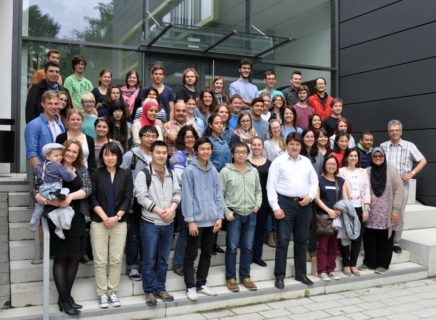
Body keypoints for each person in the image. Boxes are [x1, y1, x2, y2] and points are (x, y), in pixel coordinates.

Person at [33, 139, 92, 316]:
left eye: (75, 152)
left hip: (77, 218)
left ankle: (65, 298)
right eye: (68, 151)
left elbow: (88, 189)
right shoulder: (47, 167)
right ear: (62, 151)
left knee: (74, 258)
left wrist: (70, 197)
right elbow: (35, 192)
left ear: (78, 154)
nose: (71, 154)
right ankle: (65, 300)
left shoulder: (81, 169)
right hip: (57, 218)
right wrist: (49, 201)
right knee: (61, 258)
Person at [267, 132, 318, 288]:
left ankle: (301, 274)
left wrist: (310, 197)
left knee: (302, 241)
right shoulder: (278, 161)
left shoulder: (306, 162)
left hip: (304, 205)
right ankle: (279, 276)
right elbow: (271, 186)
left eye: (297, 144)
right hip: (285, 204)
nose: (294, 147)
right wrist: (275, 207)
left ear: (301, 146)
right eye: (292, 144)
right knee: (282, 241)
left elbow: (313, 182)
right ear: (287, 145)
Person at [135, 141, 181, 306]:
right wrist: (160, 211)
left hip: (168, 223)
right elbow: (141, 197)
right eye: (158, 152)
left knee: (162, 259)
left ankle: (160, 287)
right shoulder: (143, 174)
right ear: (152, 154)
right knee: (149, 259)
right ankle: (149, 291)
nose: (161, 155)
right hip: (150, 224)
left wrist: (172, 208)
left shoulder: (172, 173)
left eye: (164, 153)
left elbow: (177, 192)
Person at [90, 142, 133, 309]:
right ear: (102, 156)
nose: (110, 157)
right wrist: (104, 216)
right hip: (99, 222)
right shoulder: (95, 173)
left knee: (115, 259)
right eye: (106, 154)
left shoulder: (126, 174)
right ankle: (102, 293)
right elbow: (92, 197)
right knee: (100, 260)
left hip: (119, 222)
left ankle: (113, 291)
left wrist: (116, 217)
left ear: (118, 156)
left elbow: (128, 197)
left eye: (113, 154)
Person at [181, 137, 224, 301]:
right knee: (191, 254)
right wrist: (190, 220)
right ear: (197, 151)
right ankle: (190, 286)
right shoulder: (190, 171)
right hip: (196, 221)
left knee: (206, 253)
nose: (206, 151)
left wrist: (219, 216)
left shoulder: (213, 170)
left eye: (208, 149)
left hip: (212, 220)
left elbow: (218, 195)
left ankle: (201, 283)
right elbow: (187, 196)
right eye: (203, 149)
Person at [221, 142, 262, 292]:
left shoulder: (253, 171)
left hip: (251, 213)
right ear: (233, 154)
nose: (241, 154)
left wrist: (257, 204)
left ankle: (245, 276)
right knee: (232, 247)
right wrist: (226, 212)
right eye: (237, 152)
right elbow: (220, 194)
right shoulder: (226, 171)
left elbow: (258, 191)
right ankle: (231, 278)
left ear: (247, 154)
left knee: (248, 247)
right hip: (234, 214)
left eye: (244, 152)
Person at [380, 119, 427, 253]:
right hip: (386, 184)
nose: (394, 132)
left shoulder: (409, 145)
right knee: (384, 211)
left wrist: (411, 173)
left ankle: (396, 242)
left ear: (401, 132)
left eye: (397, 130)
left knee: (399, 213)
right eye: (391, 130)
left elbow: (423, 161)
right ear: (388, 132)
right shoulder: (383, 146)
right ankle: (385, 239)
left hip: (402, 185)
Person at [121, 125, 158, 281]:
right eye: (147, 135)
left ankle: (146, 264)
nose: (150, 138)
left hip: (153, 200)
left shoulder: (158, 154)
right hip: (135, 200)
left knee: (148, 234)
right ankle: (133, 266)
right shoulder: (131, 155)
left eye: (153, 136)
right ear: (140, 137)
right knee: (133, 234)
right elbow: (122, 176)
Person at [362, 147, 403, 274]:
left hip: (387, 212)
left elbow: (399, 190)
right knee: (369, 237)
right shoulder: (367, 171)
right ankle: (369, 262)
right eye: (375, 156)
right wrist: (365, 210)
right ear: (372, 158)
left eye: (380, 156)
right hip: (371, 211)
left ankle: (383, 264)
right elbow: (363, 190)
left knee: (385, 238)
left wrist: (396, 210)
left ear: (384, 157)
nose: (378, 158)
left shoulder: (392, 171)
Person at [25, 91, 65, 206]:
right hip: (43, 175)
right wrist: (43, 175)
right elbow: (32, 153)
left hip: (57, 175)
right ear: (43, 104)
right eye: (50, 103)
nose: (53, 107)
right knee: (42, 210)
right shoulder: (33, 125)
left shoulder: (60, 124)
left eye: (56, 104)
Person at [169, 125, 199, 276]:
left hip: (198, 199)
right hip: (183, 198)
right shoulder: (177, 155)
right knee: (185, 231)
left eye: (192, 136)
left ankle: (188, 263)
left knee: (193, 233)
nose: (190, 139)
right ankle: (179, 264)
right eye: (187, 136)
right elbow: (181, 178)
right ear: (182, 138)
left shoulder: (197, 154)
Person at [339, 148, 371, 276]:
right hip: (347, 208)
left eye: (355, 156)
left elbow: (367, 191)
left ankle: (353, 264)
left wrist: (366, 209)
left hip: (360, 208)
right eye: (351, 155)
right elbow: (340, 190)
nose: (353, 157)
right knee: (346, 236)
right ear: (346, 157)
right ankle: (346, 264)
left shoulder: (363, 172)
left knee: (358, 237)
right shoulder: (341, 171)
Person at [315, 155, 348, 281]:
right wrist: (329, 210)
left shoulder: (341, 181)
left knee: (334, 245)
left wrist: (340, 210)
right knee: (323, 245)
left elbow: (345, 198)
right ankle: (322, 271)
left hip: (338, 217)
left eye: (334, 164)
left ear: (337, 166)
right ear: (324, 165)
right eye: (329, 164)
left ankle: (331, 269)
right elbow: (316, 198)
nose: (331, 166)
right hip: (324, 217)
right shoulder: (319, 180)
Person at [29, 143, 74, 233]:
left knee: (41, 206)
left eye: (60, 155)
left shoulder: (40, 166)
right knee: (66, 191)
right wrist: (71, 173)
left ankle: (33, 219)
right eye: (56, 155)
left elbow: (37, 173)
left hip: (43, 190)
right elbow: (67, 178)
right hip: (53, 190)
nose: (59, 157)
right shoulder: (58, 166)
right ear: (48, 156)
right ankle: (59, 228)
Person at [249, 137, 272, 266]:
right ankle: (247, 254)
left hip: (264, 199)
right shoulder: (246, 162)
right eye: (254, 145)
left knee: (260, 228)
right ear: (251, 146)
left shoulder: (269, 163)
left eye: (259, 145)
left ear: (263, 147)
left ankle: (257, 256)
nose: (256, 147)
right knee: (248, 228)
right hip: (247, 199)